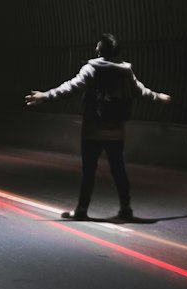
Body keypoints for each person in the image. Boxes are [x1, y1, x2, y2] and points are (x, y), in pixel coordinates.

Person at [25, 32, 170, 221]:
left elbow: (71, 87)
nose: (95, 47)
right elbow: (140, 91)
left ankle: (82, 210)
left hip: (93, 129)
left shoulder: (91, 69)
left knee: (89, 171)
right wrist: (158, 96)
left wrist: (45, 96)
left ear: (101, 49)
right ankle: (126, 208)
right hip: (116, 131)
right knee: (118, 169)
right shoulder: (125, 71)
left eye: (98, 45)